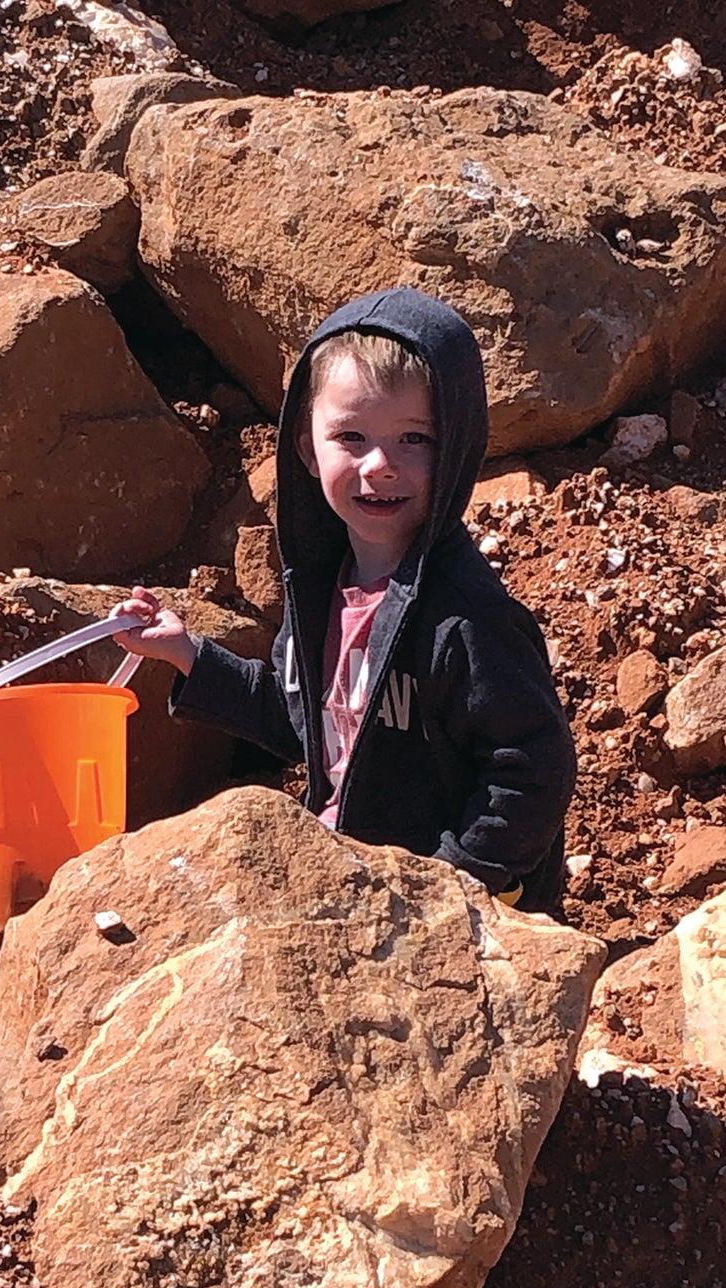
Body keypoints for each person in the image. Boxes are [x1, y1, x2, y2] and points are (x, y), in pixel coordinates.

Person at [112, 287, 575, 915]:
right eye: (351, 437)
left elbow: (531, 772)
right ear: (307, 447)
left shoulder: (469, 621)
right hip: (353, 874)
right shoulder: (322, 587)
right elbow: (303, 718)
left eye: (416, 439)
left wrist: (451, 883)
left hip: (455, 904)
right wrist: (186, 652)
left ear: (459, 447)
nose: (379, 464)